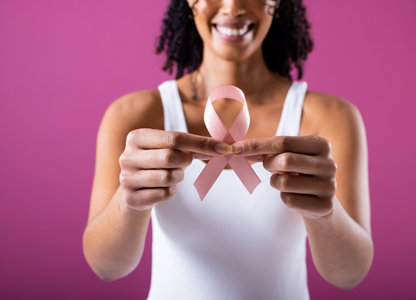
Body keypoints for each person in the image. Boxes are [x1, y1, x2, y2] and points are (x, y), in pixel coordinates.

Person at [82, 0, 374, 299]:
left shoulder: (330, 117)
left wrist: (326, 213)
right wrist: (128, 202)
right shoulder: (135, 116)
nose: (232, 7)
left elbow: (349, 274)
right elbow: (107, 267)